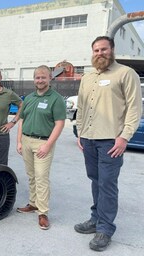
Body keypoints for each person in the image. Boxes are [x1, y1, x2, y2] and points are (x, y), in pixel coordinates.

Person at [74, 36, 142, 251]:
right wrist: (80, 132)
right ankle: (95, 219)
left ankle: (105, 228)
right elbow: (82, 107)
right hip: (88, 139)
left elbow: (134, 108)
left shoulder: (125, 73)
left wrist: (124, 137)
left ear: (112, 50)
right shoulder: (88, 77)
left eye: (103, 49)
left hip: (111, 141)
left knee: (107, 185)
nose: (99, 53)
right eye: (96, 50)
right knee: (95, 180)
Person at [16, 65, 66, 230]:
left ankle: (43, 212)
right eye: (37, 77)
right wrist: (19, 141)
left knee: (41, 177)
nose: (40, 80)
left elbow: (59, 123)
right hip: (27, 141)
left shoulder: (56, 98)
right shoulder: (29, 98)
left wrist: (48, 145)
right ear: (34, 79)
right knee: (31, 175)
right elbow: (22, 120)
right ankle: (33, 204)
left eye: (43, 77)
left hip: (43, 143)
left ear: (49, 78)